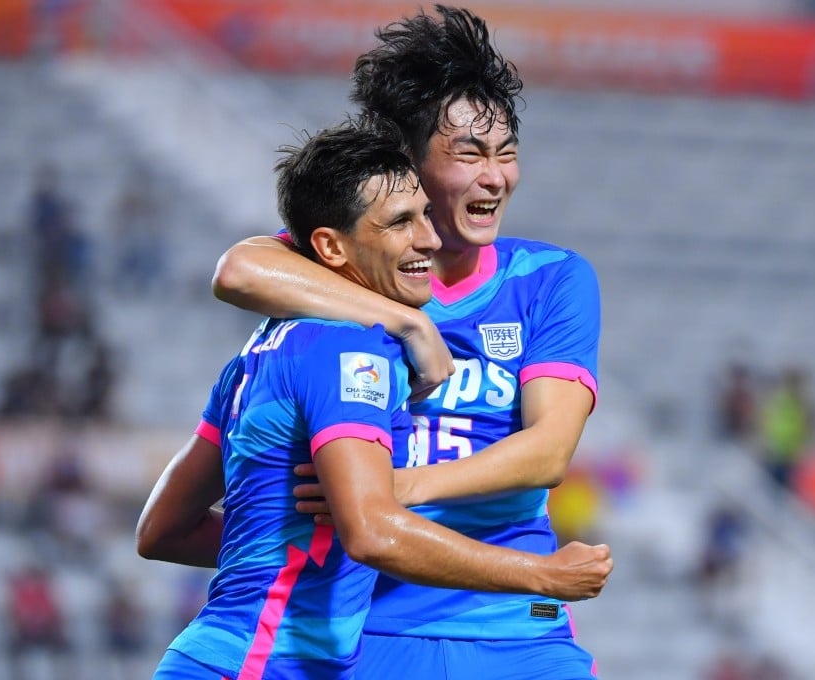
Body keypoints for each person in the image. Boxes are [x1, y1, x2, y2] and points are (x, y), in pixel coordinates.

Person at [210, 6, 607, 678]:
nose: (496, 177)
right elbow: (237, 269)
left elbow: (546, 453)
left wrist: (397, 488)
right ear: (409, 163)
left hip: (515, 623)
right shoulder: (357, 266)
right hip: (372, 625)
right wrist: (408, 321)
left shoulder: (549, 280)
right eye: (470, 154)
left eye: (506, 154)